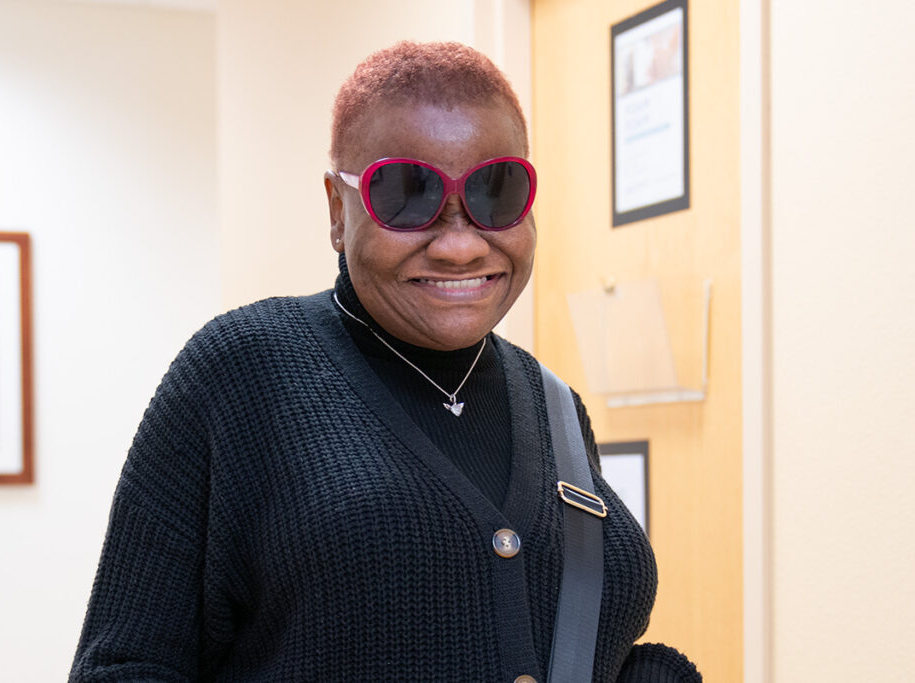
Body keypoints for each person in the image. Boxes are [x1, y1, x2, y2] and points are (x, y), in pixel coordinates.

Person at [70, 41, 701, 682]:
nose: (459, 245)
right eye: (405, 194)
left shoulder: (555, 407)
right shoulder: (241, 372)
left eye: (497, 190)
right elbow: (124, 667)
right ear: (337, 210)